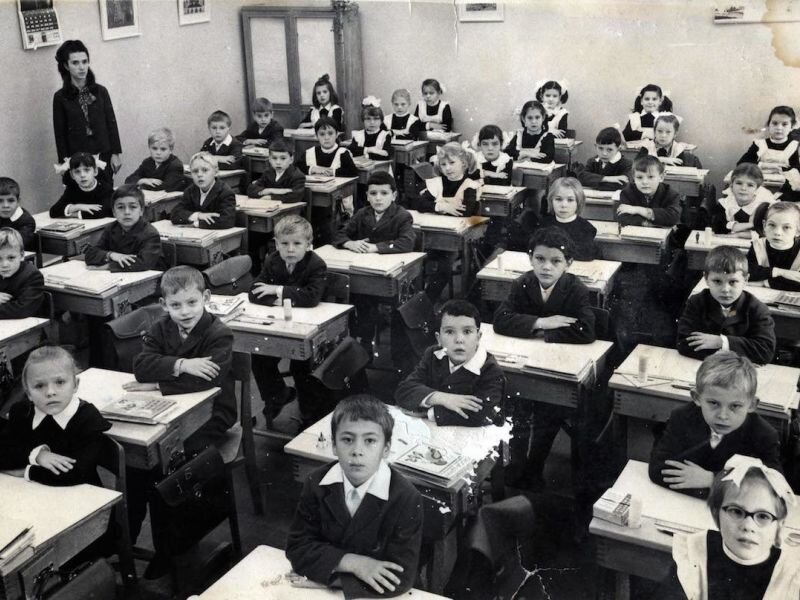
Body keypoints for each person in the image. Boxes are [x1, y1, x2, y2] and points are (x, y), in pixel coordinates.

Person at [286, 395, 423, 598]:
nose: (357, 451)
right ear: (334, 446)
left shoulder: (406, 497)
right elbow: (297, 547)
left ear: (386, 449)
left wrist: (331, 580)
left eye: (370, 441)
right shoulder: (316, 483)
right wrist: (354, 563)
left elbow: (400, 576)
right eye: (347, 440)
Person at [493, 227, 596, 491]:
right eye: (540, 259)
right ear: (530, 258)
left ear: (568, 263)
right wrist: (542, 323)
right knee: (515, 407)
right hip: (525, 362)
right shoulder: (523, 283)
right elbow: (501, 320)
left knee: (549, 411)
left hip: (558, 367)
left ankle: (534, 468)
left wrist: (539, 332)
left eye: (555, 261)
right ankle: (516, 466)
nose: (546, 267)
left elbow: (586, 331)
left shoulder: (576, 289)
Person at [656, 455, 799, 598]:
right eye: (736, 511)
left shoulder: (792, 575)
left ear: (779, 525)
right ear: (716, 514)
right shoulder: (694, 554)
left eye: (763, 516)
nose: (747, 526)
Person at [649, 352, 782, 498]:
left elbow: (774, 487)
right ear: (697, 398)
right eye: (713, 403)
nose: (722, 416)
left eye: (735, 406)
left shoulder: (764, 435)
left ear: (752, 405)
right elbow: (658, 468)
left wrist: (713, 480)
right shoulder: (682, 417)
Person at [248, 215, 327, 432]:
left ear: (308, 245)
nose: (290, 249)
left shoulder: (316, 264)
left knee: (302, 363)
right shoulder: (273, 261)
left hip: (309, 328)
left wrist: (277, 291)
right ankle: (278, 395)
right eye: (284, 243)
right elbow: (254, 292)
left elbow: (312, 297)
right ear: (276, 244)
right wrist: (287, 297)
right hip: (280, 326)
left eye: (297, 243)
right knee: (259, 356)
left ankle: (308, 412)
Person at [0, 346, 110, 486]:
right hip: (32, 491)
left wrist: (27, 471)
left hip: (80, 494)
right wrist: (38, 456)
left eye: (60, 382)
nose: (50, 392)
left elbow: (76, 473)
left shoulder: (87, 418)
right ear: (28, 393)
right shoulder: (22, 412)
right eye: (39, 386)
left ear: (75, 385)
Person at [395, 299, 505, 427]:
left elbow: (485, 414)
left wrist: (429, 413)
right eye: (449, 332)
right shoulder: (433, 355)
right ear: (439, 339)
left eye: (467, 332)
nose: (459, 340)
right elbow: (404, 390)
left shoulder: (490, 370)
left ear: (478, 337)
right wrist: (439, 397)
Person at [677, 246, 775, 364]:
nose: (725, 289)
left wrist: (721, 342)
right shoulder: (697, 302)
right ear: (706, 279)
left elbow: (765, 351)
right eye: (717, 281)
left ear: (745, 280)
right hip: (704, 366)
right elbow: (683, 342)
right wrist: (737, 352)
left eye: (733, 282)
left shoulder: (757, 309)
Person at [52, 40, 122, 179]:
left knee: (105, 188)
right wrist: (64, 163)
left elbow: (111, 123)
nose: (82, 67)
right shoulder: (60, 97)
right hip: (77, 157)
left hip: (103, 153)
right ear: (66, 66)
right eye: (75, 63)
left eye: (84, 62)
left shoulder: (101, 91)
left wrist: (116, 153)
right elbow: (60, 134)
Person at [84, 184, 162, 272]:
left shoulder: (150, 234)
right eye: (120, 207)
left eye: (133, 207)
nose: (127, 212)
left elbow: (144, 263)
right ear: (114, 212)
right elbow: (91, 254)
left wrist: (108, 266)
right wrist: (111, 255)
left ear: (141, 211)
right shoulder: (111, 228)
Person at [739, 105, 800, 203]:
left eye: (784, 124)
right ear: (769, 125)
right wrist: (761, 165)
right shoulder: (759, 144)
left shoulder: (794, 146)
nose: (779, 128)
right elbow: (742, 163)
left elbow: (796, 168)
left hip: (783, 187)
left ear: (791, 127)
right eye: (774, 123)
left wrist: (783, 171)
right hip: (760, 185)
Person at [171, 151, 236, 229]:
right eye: (195, 171)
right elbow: (175, 213)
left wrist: (196, 223)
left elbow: (227, 220)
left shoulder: (225, 192)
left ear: (216, 172)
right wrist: (198, 215)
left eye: (205, 170)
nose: (199, 175)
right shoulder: (190, 190)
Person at [538, 177, 597, 261]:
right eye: (558, 199)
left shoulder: (586, 228)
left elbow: (586, 256)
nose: (564, 205)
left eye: (570, 200)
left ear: (578, 202)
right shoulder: (543, 225)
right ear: (551, 201)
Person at [746, 201, 800, 291]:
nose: (777, 232)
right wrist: (780, 272)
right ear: (764, 226)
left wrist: (764, 283)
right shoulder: (758, 245)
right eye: (772, 225)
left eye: (786, 227)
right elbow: (747, 272)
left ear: (798, 231)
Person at [710, 163, 774, 236]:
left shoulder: (763, 206)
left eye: (750, 185)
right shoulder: (725, 204)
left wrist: (738, 234)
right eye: (739, 183)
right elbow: (719, 229)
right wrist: (750, 224)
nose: (743, 188)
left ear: (757, 189)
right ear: (731, 186)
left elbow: (763, 232)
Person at [49, 152, 113, 219]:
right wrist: (78, 207)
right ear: (72, 175)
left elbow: (102, 212)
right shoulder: (72, 189)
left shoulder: (105, 188)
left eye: (87, 170)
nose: (82, 175)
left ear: (95, 171)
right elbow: (53, 211)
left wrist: (74, 214)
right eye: (77, 172)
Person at [124, 127, 186, 192]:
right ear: (149, 148)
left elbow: (166, 187)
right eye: (154, 148)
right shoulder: (148, 162)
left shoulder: (175, 165)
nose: (158, 153)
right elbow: (129, 180)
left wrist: (142, 184)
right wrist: (141, 180)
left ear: (171, 150)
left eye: (163, 149)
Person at [0, 228, 44, 320]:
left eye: (11, 258)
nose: (4, 264)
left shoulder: (32, 276)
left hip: (27, 326)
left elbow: (21, 309)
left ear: (22, 255)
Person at [577, 127, 631, 191]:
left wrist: (593, 181)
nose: (604, 153)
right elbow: (581, 177)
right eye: (600, 148)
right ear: (596, 146)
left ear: (618, 149)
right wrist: (606, 178)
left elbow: (623, 185)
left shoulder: (627, 164)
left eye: (609, 149)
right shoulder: (592, 161)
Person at [0, 177, 36, 248]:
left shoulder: (27, 221)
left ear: (18, 202)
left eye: (11, 201)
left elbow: (13, 245)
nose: (5, 205)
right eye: (0, 201)